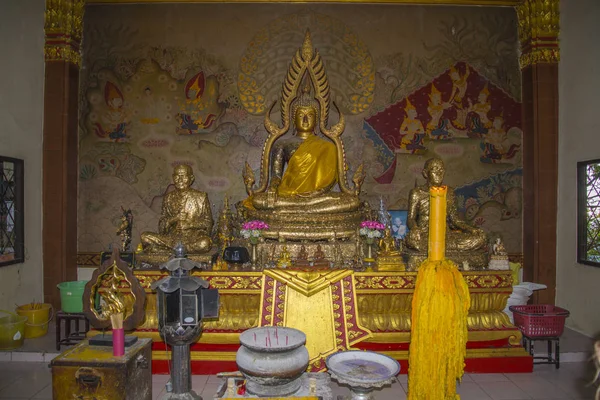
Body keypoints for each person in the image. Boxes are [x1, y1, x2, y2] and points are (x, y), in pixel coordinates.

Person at [405, 158, 487, 252]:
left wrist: (471, 229)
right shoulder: (417, 193)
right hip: (425, 236)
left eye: (441, 170)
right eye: (435, 169)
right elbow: (410, 219)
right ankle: (442, 249)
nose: (439, 173)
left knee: (480, 238)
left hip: (445, 236)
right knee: (412, 241)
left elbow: (455, 220)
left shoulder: (449, 193)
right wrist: (415, 229)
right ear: (425, 173)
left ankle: (440, 249)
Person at [140, 165, 213, 253]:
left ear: (191, 178)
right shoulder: (168, 198)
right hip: (172, 239)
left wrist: (190, 225)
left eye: (183, 176)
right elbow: (162, 227)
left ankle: (169, 251)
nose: (180, 180)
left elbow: (208, 223)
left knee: (205, 243)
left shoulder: (201, 197)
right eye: (177, 176)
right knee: (144, 236)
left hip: (192, 238)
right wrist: (174, 219)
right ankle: (178, 251)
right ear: (173, 177)